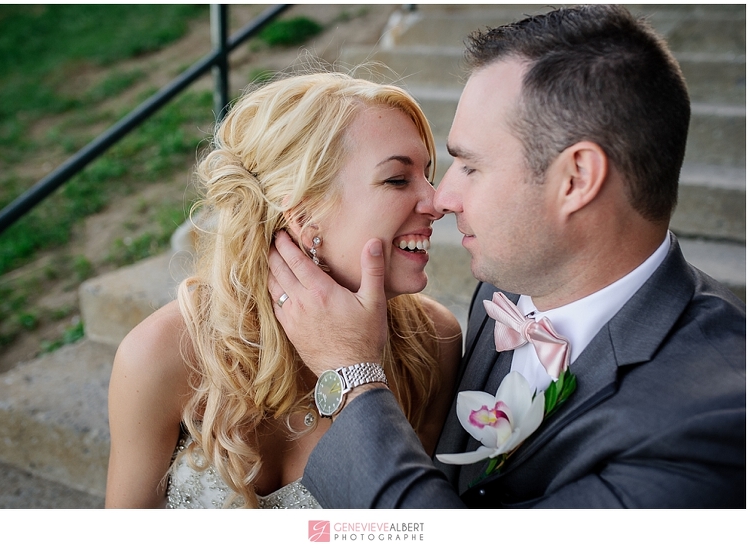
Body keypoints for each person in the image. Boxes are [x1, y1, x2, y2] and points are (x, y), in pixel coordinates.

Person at [267, 5, 746, 508]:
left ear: (576, 179)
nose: (441, 199)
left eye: (470, 167)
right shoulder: (506, 287)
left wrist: (352, 375)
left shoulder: (711, 422)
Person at [104, 72, 462, 509]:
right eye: (398, 179)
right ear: (302, 214)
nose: (438, 200)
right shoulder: (161, 354)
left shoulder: (432, 342)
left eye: (427, 174)